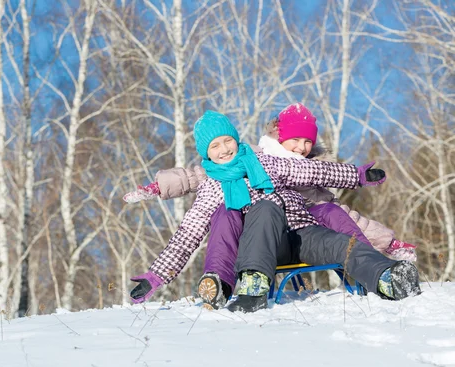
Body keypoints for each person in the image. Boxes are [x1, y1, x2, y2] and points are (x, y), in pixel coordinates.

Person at [125, 104, 416, 309]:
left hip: (300, 234)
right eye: (215, 146)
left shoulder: (266, 162)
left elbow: (313, 173)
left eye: (228, 140)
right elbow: (187, 236)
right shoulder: (211, 188)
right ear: (206, 153)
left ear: (236, 140)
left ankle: (387, 277)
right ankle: (252, 282)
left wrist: (357, 175)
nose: (224, 149)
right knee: (264, 207)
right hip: (261, 247)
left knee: (342, 242)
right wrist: (155, 277)